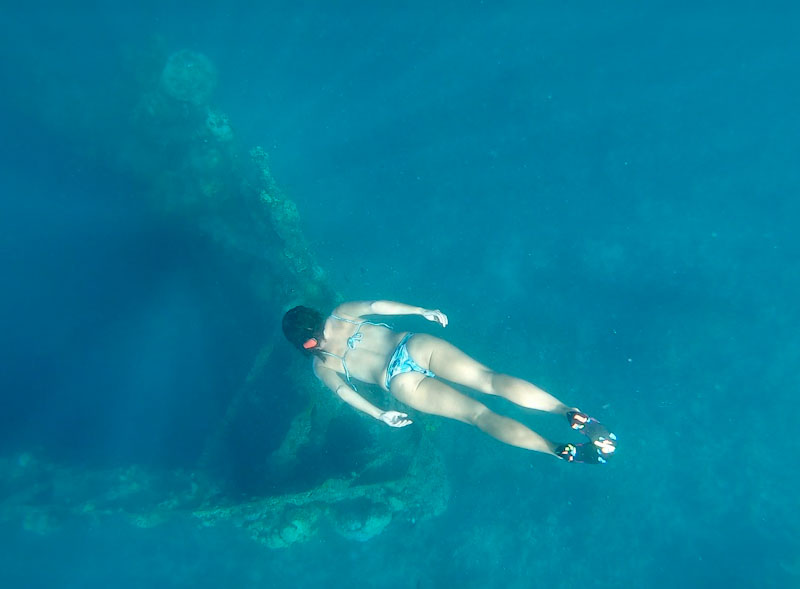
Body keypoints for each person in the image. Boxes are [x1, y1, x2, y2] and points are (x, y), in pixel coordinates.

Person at [281, 300, 616, 464]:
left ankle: (556, 450)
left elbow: (342, 391)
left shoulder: (321, 365)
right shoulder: (340, 313)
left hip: (398, 382)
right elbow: (377, 305)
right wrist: (423, 311)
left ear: (300, 344)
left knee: (479, 417)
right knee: (491, 380)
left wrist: (378, 415)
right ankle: (567, 412)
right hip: (412, 345)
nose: (317, 343)